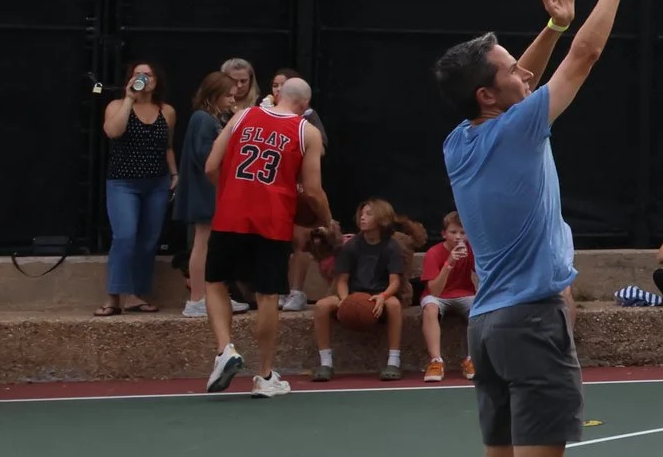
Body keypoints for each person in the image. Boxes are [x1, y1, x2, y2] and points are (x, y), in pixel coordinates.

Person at [427, 0, 651, 457]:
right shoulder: (519, 128)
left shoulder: (463, 139)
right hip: (531, 323)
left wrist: (552, 20)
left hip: (489, 328)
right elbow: (582, 58)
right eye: (508, 68)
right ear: (492, 96)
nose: (523, 69)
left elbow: (520, 72)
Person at [200, 75, 328, 397]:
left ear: (279, 95)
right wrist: (327, 220)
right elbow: (312, 190)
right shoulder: (307, 131)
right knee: (267, 296)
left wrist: (231, 193)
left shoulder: (242, 115)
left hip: (231, 213)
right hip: (273, 220)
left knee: (215, 282)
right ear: (305, 105)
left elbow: (211, 166)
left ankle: (225, 349)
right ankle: (265, 375)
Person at [98, 59, 177, 315]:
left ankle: (137, 293)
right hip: (123, 182)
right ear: (129, 79)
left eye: (148, 75)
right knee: (125, 235)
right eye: (137, 74)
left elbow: (167, 146)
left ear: (156, 81)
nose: (144, 79)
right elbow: (113, 132)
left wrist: (174, 173)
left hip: (157, 182)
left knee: (148, 240)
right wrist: (129, 99)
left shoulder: (166, 111)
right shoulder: (117, 106)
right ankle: (114, 295)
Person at [312, 198, 410, 380]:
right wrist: (345, 300)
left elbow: (395, 281)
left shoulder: (392, 246)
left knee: (395, 305)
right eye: (362, 214)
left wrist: (383, 296)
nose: (363, 218)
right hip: (353, 293)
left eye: (369, 214)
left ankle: (393, 361)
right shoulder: (351, 246)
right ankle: (325, 363)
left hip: (380, 294)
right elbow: (342, 281)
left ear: (382, 218)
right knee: (321, 306)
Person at [176, 72, 246, 319]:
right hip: (205, 189)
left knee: (209, 243)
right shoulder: (203, 119)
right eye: (227, 95)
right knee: (203, 243)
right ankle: (197, 297)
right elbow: (205, 155)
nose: (231, 100)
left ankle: (211, 295)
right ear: (214, 95)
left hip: (208, 189)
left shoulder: (209, 118)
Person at [271, 68, 331, 313]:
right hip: (271, 188)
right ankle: (273, 290)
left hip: (298, 186)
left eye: (282, 85)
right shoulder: (261, 113)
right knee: (273, 242)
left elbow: (321, 149)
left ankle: (295, 291)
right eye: (274, 85)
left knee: (300, 239)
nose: (278, 90)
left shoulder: (308, 119)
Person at [421, 210, 478, 381]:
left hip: (464, 293)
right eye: (453, 232)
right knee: (430, 309)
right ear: (444, 234)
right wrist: (450, 263)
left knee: (480, 308)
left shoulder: (472, 251)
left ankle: (472, 359)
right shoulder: (433, 253)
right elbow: (435, 290)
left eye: (463, 233)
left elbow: (486, 276)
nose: (458, 237)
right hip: (438, 296)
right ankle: (436, 361)